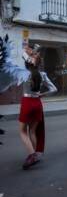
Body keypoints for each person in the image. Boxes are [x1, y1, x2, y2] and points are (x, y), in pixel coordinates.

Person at [0, 36, 57, 169]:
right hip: (37, 103)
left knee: (22, 131)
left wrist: (25, 51)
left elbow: (6, 67)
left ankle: (32, 155)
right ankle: (36, 154)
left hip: (26, 103)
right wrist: (42, 94)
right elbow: (54, 89)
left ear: (26, 63)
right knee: (32, 131)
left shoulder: (22, 72)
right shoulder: (42, 74)